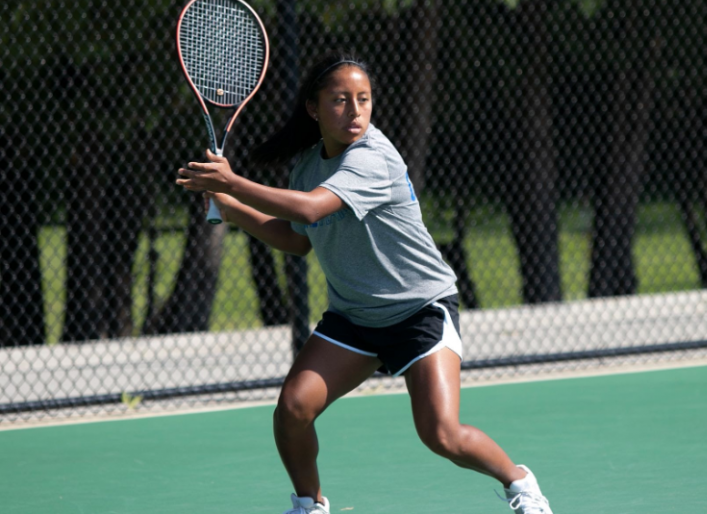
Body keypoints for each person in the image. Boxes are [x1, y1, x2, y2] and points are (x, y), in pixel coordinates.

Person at [176, 51, 553, 514]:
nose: (354, 111)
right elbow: (297, 240)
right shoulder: (307, 168)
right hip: (354, 317)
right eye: (340, 100)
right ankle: (309, 506)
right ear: (314, 108)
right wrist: (235, 211)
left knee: (442, 434)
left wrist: (233, 183)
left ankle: (520, 483)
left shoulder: (374, 157)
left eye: (364, 99)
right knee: (293, 410)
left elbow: (311, 209)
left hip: (419, 311)